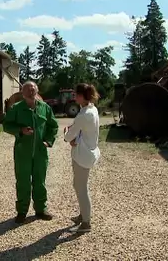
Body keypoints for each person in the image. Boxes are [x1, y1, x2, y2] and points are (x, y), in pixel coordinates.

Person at [3, 81, 59, 224]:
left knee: (40, 181)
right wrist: (20, 131)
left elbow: (53, 126)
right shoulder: (16, 108)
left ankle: (41, 209)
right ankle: (22, 212)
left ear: (37, 91)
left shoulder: (45, 108)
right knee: (23, 182)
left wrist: (48, 140)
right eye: (27, 89)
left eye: (33, 89)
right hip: (23, 151)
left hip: (40, 152)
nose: (30, 91)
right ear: (23, 93)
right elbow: (7, 125)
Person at [63, 83, 101, 233]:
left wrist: (67, 133)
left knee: (81, 188)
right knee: (79, 185)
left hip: (82, 155)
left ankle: (86, 222)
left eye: (75, 94)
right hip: (88, 151)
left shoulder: (83, 115)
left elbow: (68, 136)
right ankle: (83, 215)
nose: (74, 97)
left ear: (81, 96)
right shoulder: (92, 109)